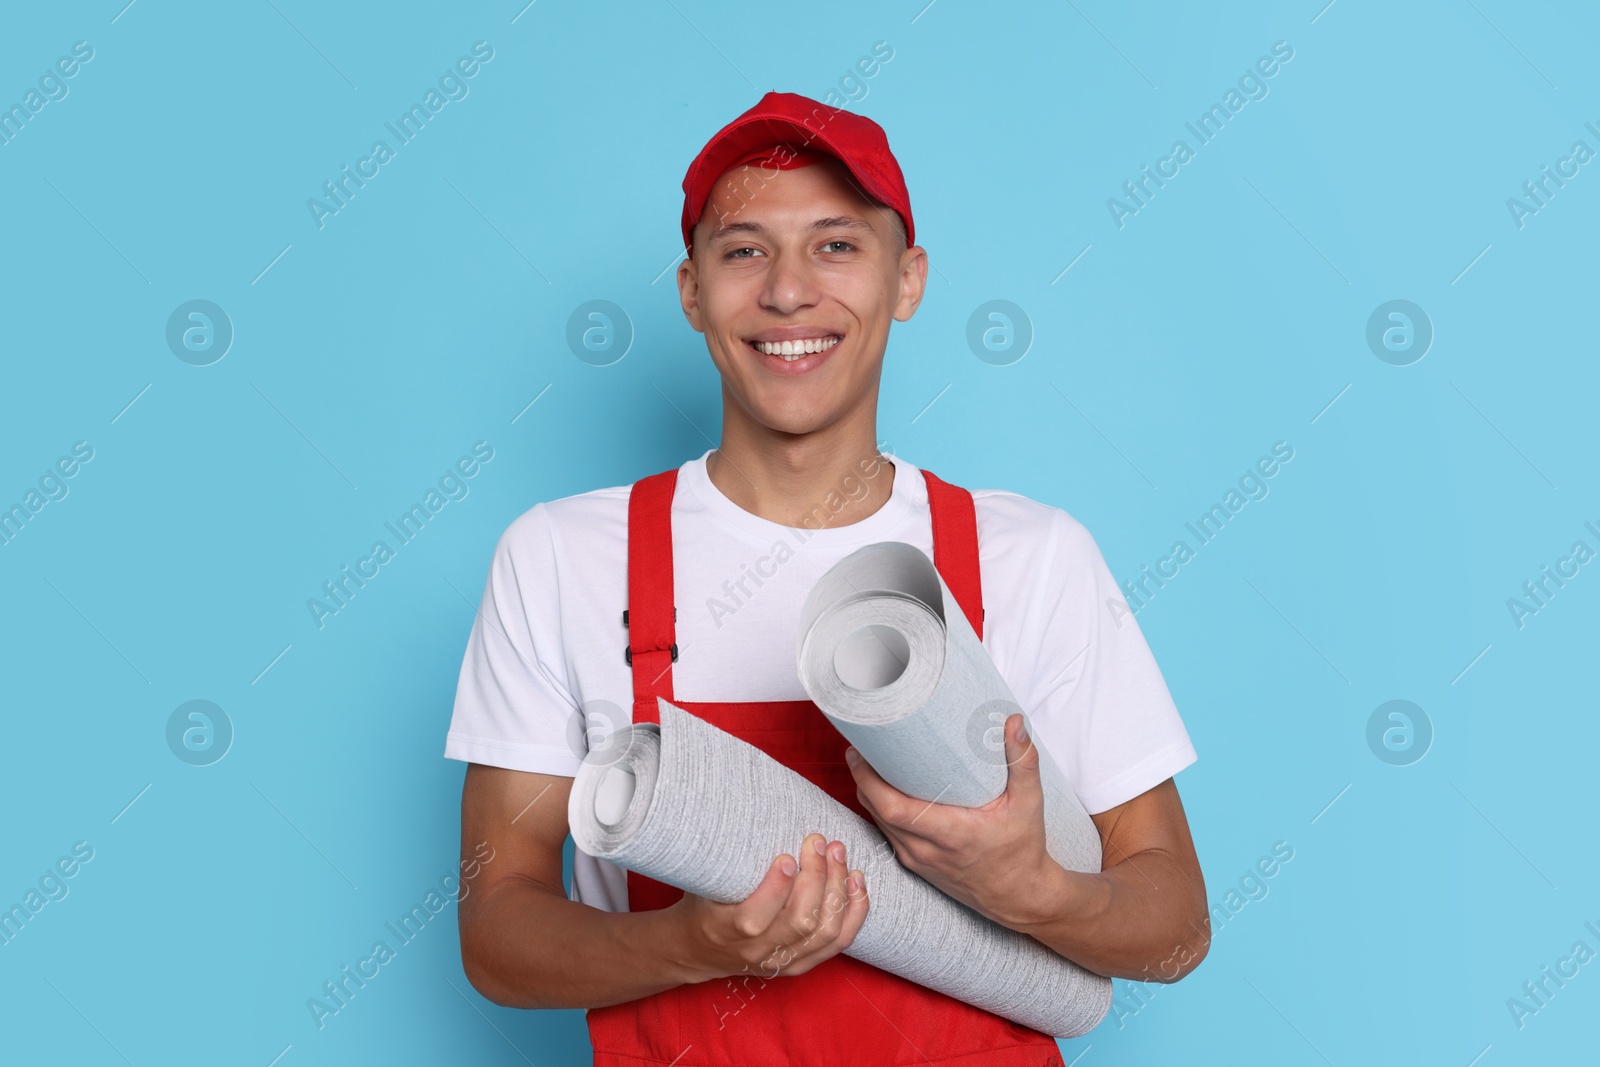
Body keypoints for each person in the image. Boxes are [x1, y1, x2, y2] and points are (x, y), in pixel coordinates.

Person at [445, 91, 1208, 1065]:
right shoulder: (561, 558)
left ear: (908, 279)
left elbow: (1176, 927)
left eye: (837, 245)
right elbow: (495, 934)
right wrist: (685, 944)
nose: (789, 291)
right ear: (690, 291)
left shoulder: (1031, 556)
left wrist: (1032, 888)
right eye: (743, 249)